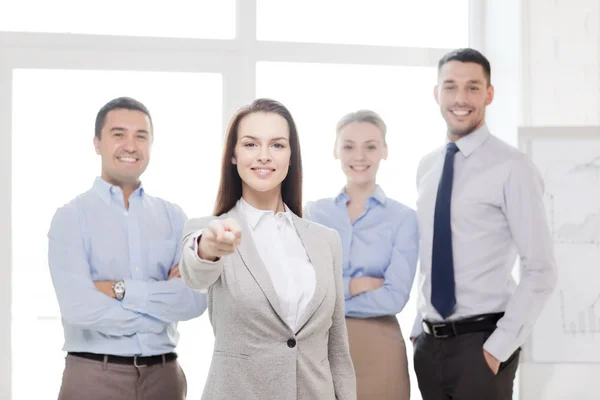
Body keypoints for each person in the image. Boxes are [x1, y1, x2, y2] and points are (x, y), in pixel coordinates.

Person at [179, 98, 357, 400]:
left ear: (291, 157)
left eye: (277, 145)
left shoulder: (325, 241)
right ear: (233, 156)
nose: (264, 156)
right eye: (250, 145)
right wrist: (207, 247)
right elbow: (195, 272)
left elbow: (337, 348)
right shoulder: (210, 230)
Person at [410, 48, 557, 400]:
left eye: (473, 87)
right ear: (437, 94)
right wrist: (418, 330)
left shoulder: (513, 167)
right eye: (450, 87)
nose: (461, 98)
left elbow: (541, 269)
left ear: (489, 93)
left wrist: (498, 348)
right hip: (430, 349)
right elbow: (431, 254)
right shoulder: (427, 167)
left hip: (481, 346)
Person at [48, 97, 207, 400]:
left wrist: (119, 290)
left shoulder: (174, 217)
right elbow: (79, 308)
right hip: (94, 377)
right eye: (118, 134)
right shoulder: (71, 217)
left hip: (165, 378)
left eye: (141, 136)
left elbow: (194, 302)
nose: (130, 145)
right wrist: (159, 309)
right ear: (97, 143)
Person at [304, 110, 418, 400]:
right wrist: (356, 285)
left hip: (380, 348)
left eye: (370, 146)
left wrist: (332, 290)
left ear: (384, 151)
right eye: (349, 146)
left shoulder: (403, 218)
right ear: (335, 151)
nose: (359, 156)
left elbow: (395, 297)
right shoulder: (314, 213)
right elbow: (304, 290)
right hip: (321, 347)